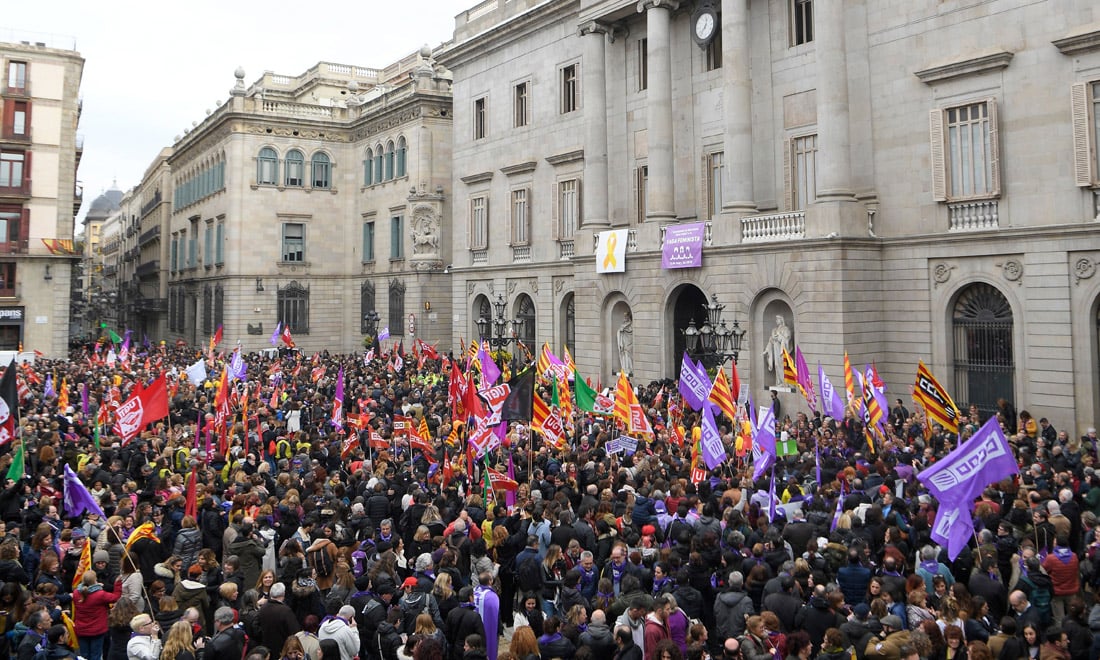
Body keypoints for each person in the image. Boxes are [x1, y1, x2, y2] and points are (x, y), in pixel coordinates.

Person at [72, 569, 122, 660]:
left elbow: (88, 593)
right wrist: (118, 584)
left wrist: (97, 587)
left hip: (81, 629)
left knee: (84, 655)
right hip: (97, 630)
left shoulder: (76, 593)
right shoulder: (100, 595)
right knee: (96, 655)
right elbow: (116, 597)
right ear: (95, 580)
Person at [258, 582, 301, 654]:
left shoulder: (263, 608)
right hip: (283, 649)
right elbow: (295, 631)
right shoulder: (285, 611)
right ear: (283, 594)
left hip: (267, 649)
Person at [762, 315, 792, 387]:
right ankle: (779, 382)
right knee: (776, 365)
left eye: (777, 319)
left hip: (782, 350)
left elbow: (787, 339)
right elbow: (771, 340)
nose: (776, 321)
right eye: (776, 320)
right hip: (776, 349)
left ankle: (784, 382)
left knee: (782, 364)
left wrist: (779, 337)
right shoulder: (774, 330)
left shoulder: (785, 329)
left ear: (781, 320)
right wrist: (766, 350)